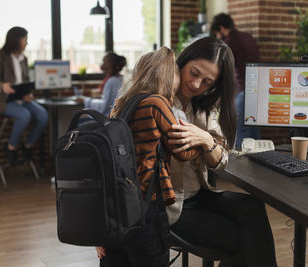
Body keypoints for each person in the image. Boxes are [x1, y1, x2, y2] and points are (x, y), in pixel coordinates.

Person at [167, 37, 277, 267]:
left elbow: (222, 162)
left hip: (198, 194)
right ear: (182, 62)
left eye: (207, 82)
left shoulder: (204, 106)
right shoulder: (159, 99)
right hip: (169, 207)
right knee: (246, 240)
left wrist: (207, 141)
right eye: (194, 73)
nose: (197, 85)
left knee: (252, 208)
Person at [96, 47, 200, 267]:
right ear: (167, 75)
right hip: (145, 208)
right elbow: (184, 152)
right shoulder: (156, 103)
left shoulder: (120, 104)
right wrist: (204, 139)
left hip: (116, 210)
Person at [0, 26, 48, 165]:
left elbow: (25, 80)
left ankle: (27, 146)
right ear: (16, 40)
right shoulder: (0, 56)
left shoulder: (24, 59)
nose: (26, 43)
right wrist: (3, 86)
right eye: (25, 40)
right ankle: (11, 147)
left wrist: (28, 93)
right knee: (24, 115)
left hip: (21, 97)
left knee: (43, 115)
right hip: (4, 99)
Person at [211, 13, 261, 147]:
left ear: (221, 28)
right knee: (255, 131)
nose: (217, 36)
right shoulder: (249, 38)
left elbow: (223, 71)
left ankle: (243, 166)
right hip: (257, 92)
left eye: (217, 33)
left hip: (243, 92)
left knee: (242, 133)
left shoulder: (230, 42)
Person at [77, 52, 126, 116]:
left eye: (103, 61)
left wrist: (86, 100)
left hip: (106, 119)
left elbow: (104, 106)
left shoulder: (112, 81)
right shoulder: (118, 79)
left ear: (110, 64)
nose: (101, 64)